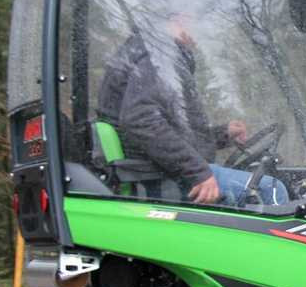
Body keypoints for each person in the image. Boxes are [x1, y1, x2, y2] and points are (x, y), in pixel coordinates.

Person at [97, 11, 288, 206]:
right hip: (161, 177)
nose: (199, 38)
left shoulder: (148, 50)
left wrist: (223, 134)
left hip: (161, 170)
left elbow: (173, 131)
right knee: (272, 190)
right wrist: (198, 172)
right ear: (181, 18)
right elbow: (140, 119)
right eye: (199, 24)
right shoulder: (158, 55)